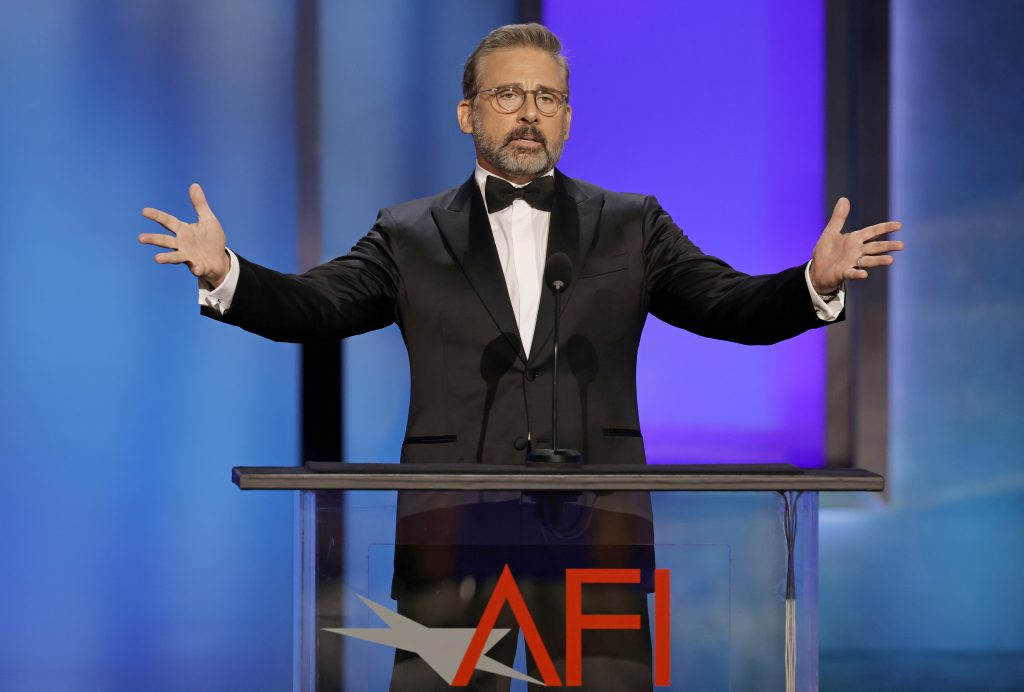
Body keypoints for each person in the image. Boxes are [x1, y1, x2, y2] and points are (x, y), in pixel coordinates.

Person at [139, 23, 901, 691]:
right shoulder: (410, 234)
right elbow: (319, 306)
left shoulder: (632, 225)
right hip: (452, 540)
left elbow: (726, 304)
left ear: (567, 117)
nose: (530, 113)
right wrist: (227, 273)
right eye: (508, 95)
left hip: (596, 542)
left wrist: (810, 284)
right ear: (467, 112)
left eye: (548, 98)